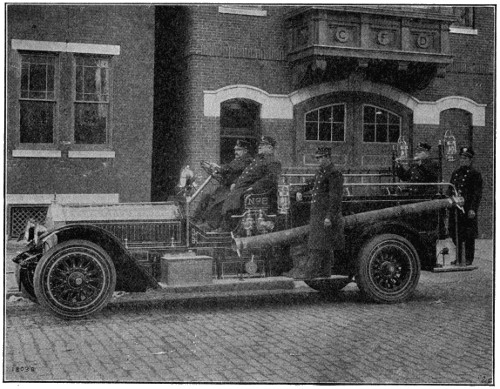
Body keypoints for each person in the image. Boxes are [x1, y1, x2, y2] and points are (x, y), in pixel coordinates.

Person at [290, 147, 345, 280]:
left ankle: (310, 272)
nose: (318, 160)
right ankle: (325, 272)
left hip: (324, 215)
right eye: (317, 158)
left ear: (328, 157)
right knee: (323, 244)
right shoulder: (322, 172)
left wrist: (329, 217)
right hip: (318, 214)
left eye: (321, 158)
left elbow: (335, 198)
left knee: (317, 244)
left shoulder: (334, 173)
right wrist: (300, 190)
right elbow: (311, 184)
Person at [221, 135, 282, 230]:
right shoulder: (258, 160)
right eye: (260, 144)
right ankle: (225, 228)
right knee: (224, 197)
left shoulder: (273, 161)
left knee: (232, 199)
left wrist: (253, 188)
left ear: (270, 148)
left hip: (255, 191)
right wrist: (235, 182)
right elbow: (246, 174)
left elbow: (270, 179)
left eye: (263, 145)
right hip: (241, 188)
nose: (259, 146)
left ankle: (229, 229)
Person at [194, 139, 253, 229]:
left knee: (218, 201)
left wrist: (218, 168)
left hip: (236, 189)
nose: (235, 152)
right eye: (235, 150)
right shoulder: (237, 160)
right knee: (206, 197)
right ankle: (196, 220)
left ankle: (211, 225)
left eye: (238, 150)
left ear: (245, 150)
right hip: (226, 187)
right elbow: (229, 172)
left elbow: (231, 168)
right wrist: (216, 173)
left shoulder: (247, 160)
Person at [448, 146, 483, 266]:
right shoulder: (456, 173)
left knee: (468, 235)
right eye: (461, 158)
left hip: (467, 209)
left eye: (465, 159)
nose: (462, 161)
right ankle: (459, 257)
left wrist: (473, 208)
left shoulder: (474, 174)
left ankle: (468, 258)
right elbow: (450, 189)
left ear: (470, 160)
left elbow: (477, 193)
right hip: (456, 209)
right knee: (454, 233)